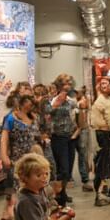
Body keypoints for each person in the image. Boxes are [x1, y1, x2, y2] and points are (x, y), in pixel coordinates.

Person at [0, 93, 38, 220]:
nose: (30, 105)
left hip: (33, 157)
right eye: (28, 102)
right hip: (17, 157)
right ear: (21, 103)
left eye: (32, 103)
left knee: (32, 185)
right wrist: (4, 155)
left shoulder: (33, 117)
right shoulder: (11, 118)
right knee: (16, 185)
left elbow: (37, 136)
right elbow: (4, 138)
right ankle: (12, 211)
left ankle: (30, 211)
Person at [48, 74, 79, 204]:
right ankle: (59, 197)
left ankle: (63, 192)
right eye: (65, 82)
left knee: (69, 169)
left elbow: (75, 116)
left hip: (70, 137)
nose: (68, 84)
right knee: (62, 168)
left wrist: (77, 130)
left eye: (70, 82)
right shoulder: (53, 100)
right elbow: (47, 115)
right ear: (59, 84)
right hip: (57, 137)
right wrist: (55, 105)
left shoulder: (71, 101)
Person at [90, 76, 110, 206]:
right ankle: (99, 194)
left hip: (108, 133)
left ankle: (103, 192)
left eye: (106, 83)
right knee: (103, 164)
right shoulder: (102, 101)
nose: (104, 86)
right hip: (105, 134)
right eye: (102, 84)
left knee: (107, 164)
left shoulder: (109, 100)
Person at [74, 89, 93, 192]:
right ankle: (85, 178)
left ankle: (86, 177)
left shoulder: (86, 111)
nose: (84, 101)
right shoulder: (78, 110)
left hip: (85, 131)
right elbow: (79, 124)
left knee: (85, 154)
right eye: (82, 99)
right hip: (80, 132)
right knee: (82, 154)